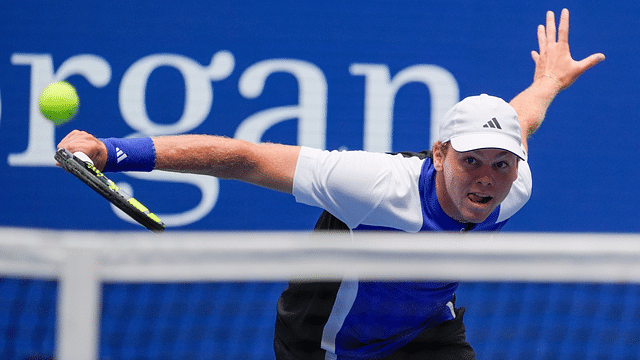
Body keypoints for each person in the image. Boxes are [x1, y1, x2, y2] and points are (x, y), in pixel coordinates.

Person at [57, 9, 604, 360]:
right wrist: (111, 151)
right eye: (472, 161)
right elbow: (246, 158)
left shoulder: (513, 185)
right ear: (440, 154)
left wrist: (548, 81)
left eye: (501, 164)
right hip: (324, 342)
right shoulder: (374, 187)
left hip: (426, 336)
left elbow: (521, 119)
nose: (488, 177)